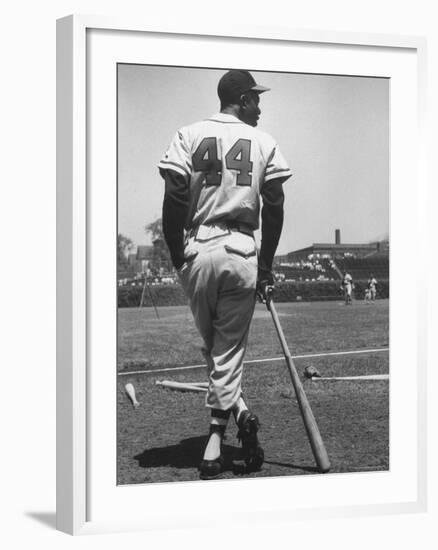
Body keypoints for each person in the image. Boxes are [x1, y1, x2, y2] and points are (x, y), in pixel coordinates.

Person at [158, 69, 292, 480]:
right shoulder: (265, 142)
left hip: (198, 249)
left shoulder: (189, 133)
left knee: (215, 349)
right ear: (240, 99)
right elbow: (274, 205)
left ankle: (235, 420)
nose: (259, 106)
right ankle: (220, 436)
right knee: (225, 351)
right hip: (241, 250)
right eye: (255, 98)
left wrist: (179, 254)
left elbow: (176, 195)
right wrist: (266, 267)